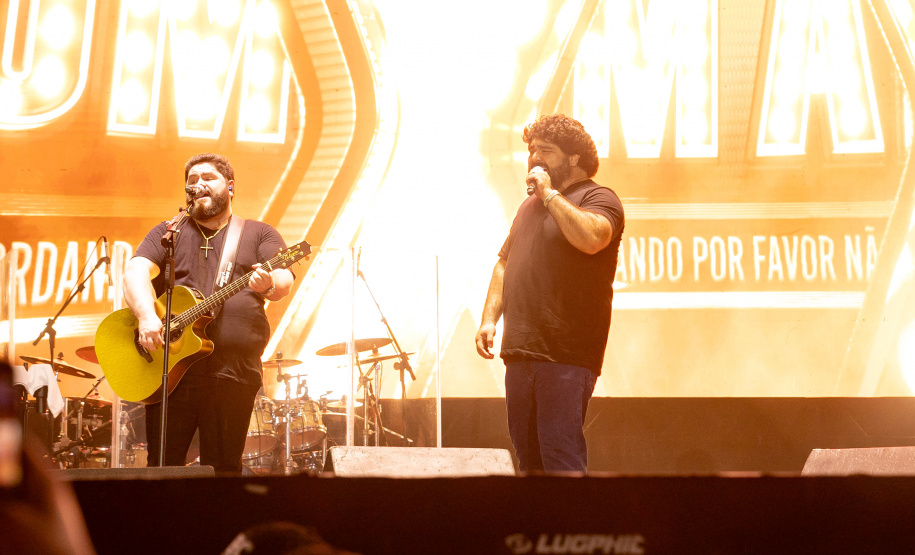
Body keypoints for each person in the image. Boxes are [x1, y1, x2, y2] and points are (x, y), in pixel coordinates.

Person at [124, 153, 294, 474]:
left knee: (224, 471)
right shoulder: (168, 233)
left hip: (232, 374)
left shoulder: (258, 234)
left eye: (208, 178)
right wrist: (147, 317)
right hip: (171, 375)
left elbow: (284, 279)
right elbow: (134, 273)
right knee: (162, 471)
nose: (198, 184)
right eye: (192, 181)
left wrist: (269, 282)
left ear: (230, 187)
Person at [474, 114, 624, 473]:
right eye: (531, 151)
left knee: (561, 457)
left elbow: (592, 239)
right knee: (529, 461)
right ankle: (537, 529)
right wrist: (488, 319)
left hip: (566, 353)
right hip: (520, 350)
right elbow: (504, 262)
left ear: (574, 158)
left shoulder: (598, 197)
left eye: (546, 150)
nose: (534, 158)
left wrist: (551, 195)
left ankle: (572, 529)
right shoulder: (528, 207)